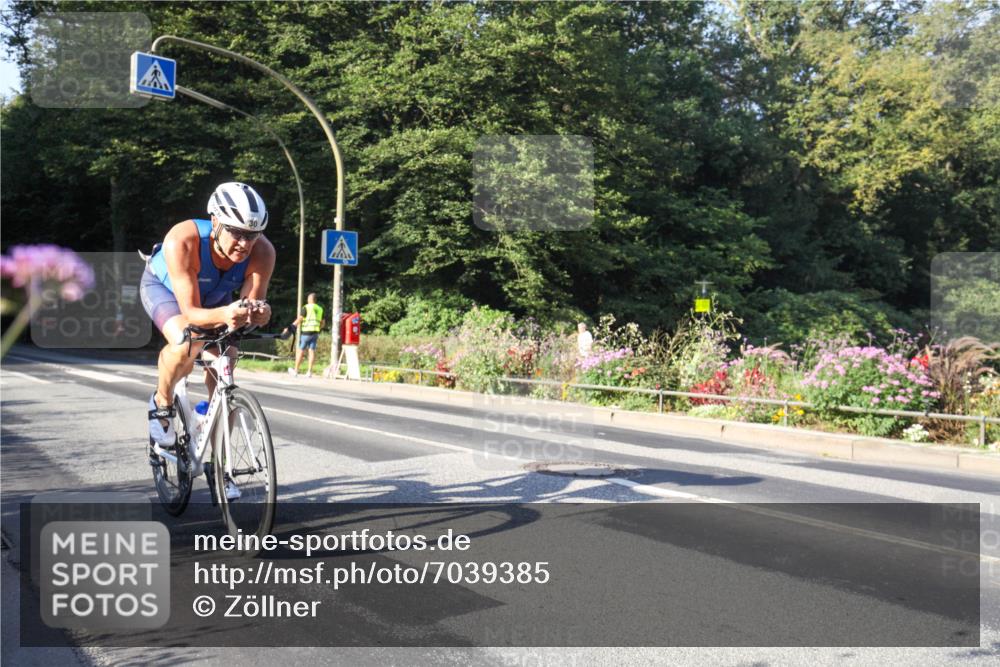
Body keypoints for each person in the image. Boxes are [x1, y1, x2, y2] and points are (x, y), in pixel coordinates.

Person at [140, 182, 276, 489]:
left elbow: (250, 305)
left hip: (214, 299)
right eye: (236, 232)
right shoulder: (183, 239)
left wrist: (258, 313)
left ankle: (219, 463)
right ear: (215, 222)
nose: (244, 243)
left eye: (252, 234)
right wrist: (226, 314)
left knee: (227, 358)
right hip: (165, 290)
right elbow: (190, 311)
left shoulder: (263, 251)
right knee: (188, 341)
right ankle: (161, 402)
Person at [284, 292, 325, 377]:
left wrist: (289, 328)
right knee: (311, 351)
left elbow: (300, 319)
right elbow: (323, 322)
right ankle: (309, 372)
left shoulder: (306, 307)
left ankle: (295, 371)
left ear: (310, 299)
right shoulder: (320, 309)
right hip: (315, 332)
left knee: (301, 350)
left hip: (306, 332)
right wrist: (318, 328)